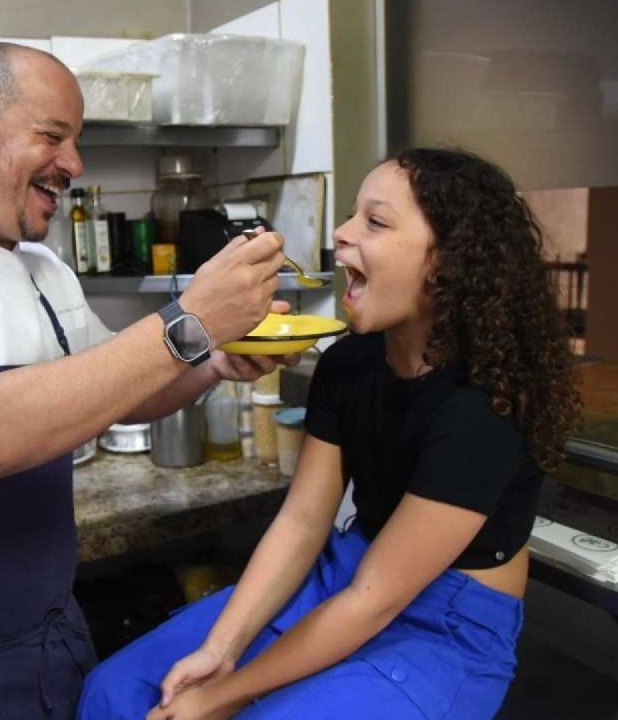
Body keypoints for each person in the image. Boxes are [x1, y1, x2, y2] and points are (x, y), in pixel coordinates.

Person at [0, 42, 298, 719]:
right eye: (53, 137)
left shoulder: (44, 272)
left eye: (77, 141)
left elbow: (126, 389)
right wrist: (190, 323)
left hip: (49, 639)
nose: (74, 164)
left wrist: (212, 359)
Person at [77, 147, 583, 720]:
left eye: (375, 220)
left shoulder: (483, 408)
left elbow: (372, 602)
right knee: (113, 691)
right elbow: (301, 523)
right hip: (346, 573)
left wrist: (217, 699)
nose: (340, 233)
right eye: (349, 215)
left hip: (446, 623)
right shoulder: (349, 364)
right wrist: (220, 653)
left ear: (446, 261)